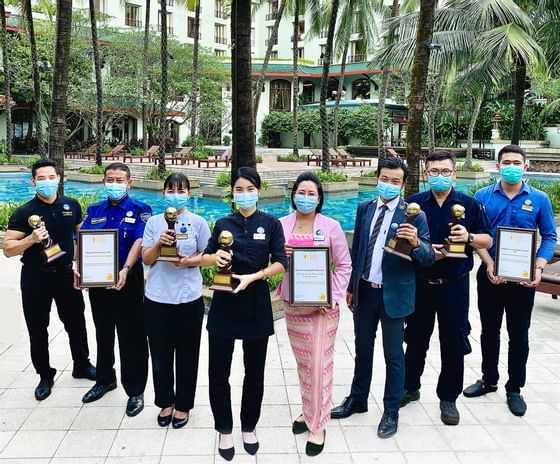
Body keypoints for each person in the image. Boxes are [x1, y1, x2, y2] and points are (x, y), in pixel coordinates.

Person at [331, 156, 435, 438]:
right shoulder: (365, 209)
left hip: (394, 296)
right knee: (362, 350)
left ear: (403, 185)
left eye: (395, 181)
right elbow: (358, 252)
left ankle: (391, 410)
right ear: (377, 178)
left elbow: (427, 258)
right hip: (365, 292)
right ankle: (358, 399)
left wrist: (415, 243)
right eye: (384, 179)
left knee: (393, 356)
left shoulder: (414, 214)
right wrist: (352, 287)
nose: (388, 185)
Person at [463, 144, 557, 416]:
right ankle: (488, 379)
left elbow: (549, 236)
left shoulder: (539, 199)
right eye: (506, 162)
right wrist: (489, 262)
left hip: (523, 280)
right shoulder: (482, 196)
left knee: (519, 335)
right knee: (489, 331)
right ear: (498, 165)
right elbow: (475, 234)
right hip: (490, 275)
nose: (511, 167)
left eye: (517, 162)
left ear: (525, 167)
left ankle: (514, 388)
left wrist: (539, 267)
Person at [201, 167, 287, 461]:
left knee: (255, 372)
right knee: (218, 372)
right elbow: (206, 256)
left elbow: (281, 263)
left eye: (250, 188)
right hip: (225, 301)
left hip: (256, 302)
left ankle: (249, 426)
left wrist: (255, 276)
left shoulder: (272, 224)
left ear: (259, 191)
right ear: (233, 193)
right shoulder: (224, 223)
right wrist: (215, 258)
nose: (244, 194)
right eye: (239, 189)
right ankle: (224, 428)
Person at [400, 151, 492, 425]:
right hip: (421, 283)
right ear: (426, 173)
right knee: (415, 338)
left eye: (445, 171)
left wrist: (469, 236)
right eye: (433, 171)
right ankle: (410, 386)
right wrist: (417, 244)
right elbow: (400, 240)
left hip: (454, 285)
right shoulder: (414, 203)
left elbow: (487, 240)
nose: (439, 176)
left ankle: (448, 398)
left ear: (454, 173)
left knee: (453, 341)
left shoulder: (469, 205)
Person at [3, 158, 95, 401]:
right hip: (36, 277)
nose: (47, 182)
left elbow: (82, 236)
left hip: (66, 274)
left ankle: (82, 364)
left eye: (51, 177)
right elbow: (8, 249)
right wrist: (30, 240)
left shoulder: (71, 205)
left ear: (59, 178)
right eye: (41, 178)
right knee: (38, 327)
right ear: (33, 182)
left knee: (76, 323)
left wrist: (85, 268)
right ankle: (45, 374)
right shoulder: (24, 212)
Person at [278, 172, 352, 456]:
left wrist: (332, 295)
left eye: (312, 194)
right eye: (301, 192)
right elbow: (270, 262)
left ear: (319, 198)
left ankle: (318, 424)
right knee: (304, 364)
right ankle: (308, 411)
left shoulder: (331, 227)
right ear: (293, 194)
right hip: (293, 306)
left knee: (320, 365)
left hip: (322, 309)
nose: (306, 198)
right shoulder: (281, 225)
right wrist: (279, 256)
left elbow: (344, 266)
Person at [76, 162, 150, 417]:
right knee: (103, 329)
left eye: (120, 180)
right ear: (104, 181)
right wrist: (79, 269)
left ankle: (135, 389)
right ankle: (105, 379)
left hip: (127, 274)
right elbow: (82, 241)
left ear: (129, 183)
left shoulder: (141, 209)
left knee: (132, 333)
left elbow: (140, 241)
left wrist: (126, 269)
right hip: (98, 276)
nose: (115, 184)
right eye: (110, 179)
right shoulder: (94, 210)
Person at [141, 173, 211, 428]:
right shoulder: (153, 223)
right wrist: (160, 243)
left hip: (188, 298)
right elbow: (147, 259)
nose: (176, 194)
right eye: (171, 189)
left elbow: (208, 255)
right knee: (159, 353)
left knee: (187, 354)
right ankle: (165, 402)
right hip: (157, 297)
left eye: (181, 190)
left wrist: (188, 261)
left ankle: (183, 404)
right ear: (163, 192)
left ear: (189, 194)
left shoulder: (199, 223)